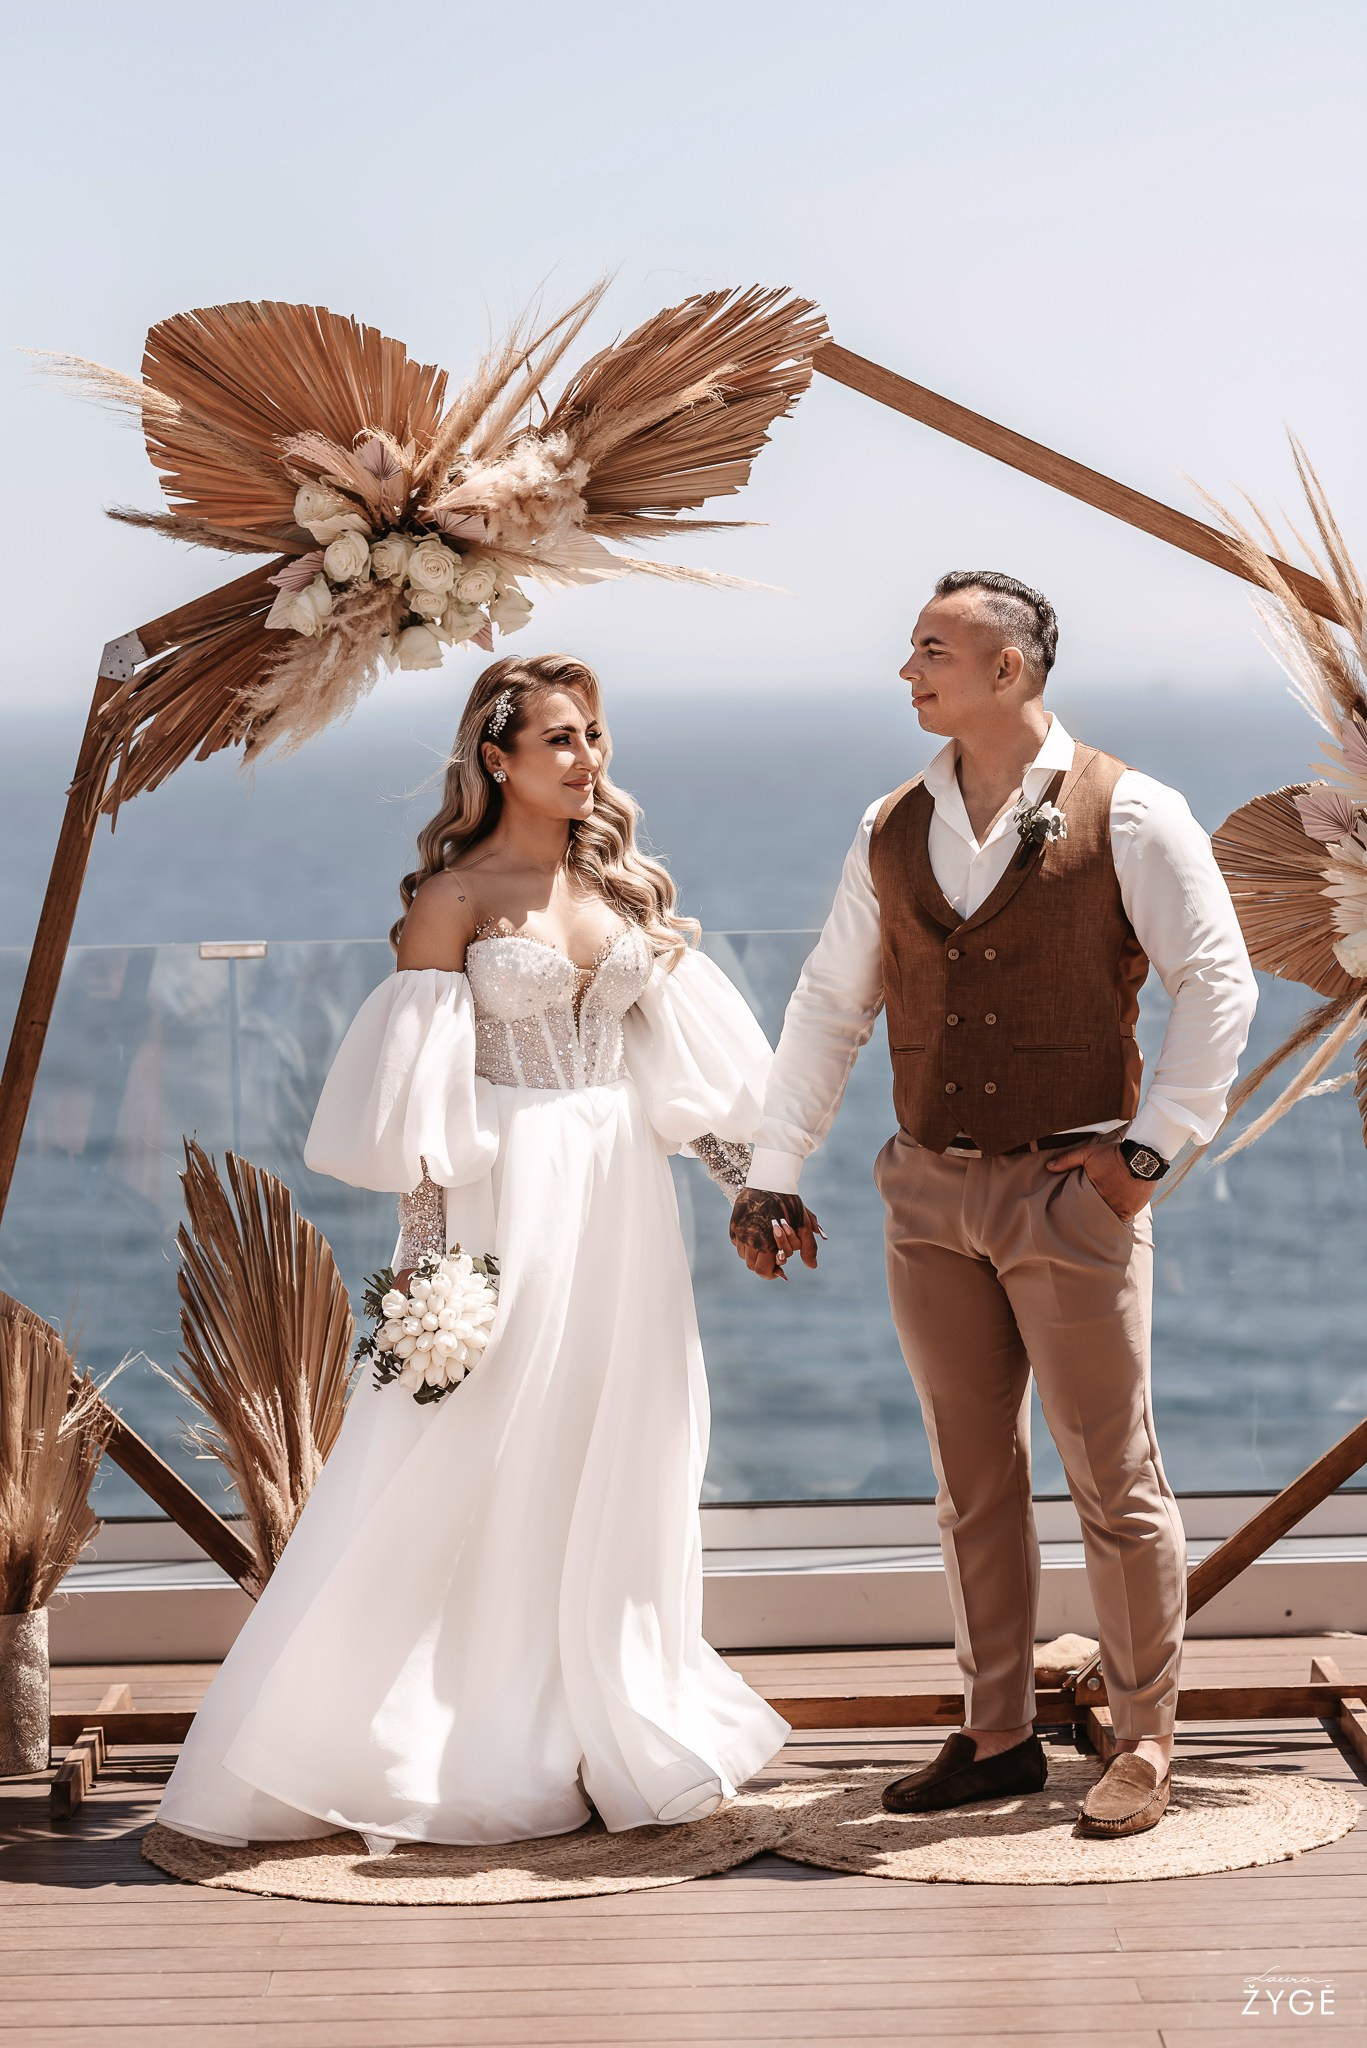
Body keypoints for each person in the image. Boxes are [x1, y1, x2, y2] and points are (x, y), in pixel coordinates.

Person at [159, 652, 788, 1851]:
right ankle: (436, 1724)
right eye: (559, 737)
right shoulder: (451, 899)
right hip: (512, 1193)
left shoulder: (626, 889)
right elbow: (423, 1109)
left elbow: (678, 1081)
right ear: (494, 757)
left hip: (620, 1199)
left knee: (623, 1439)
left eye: (593, 732)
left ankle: (608, 1708)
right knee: (477, 1440)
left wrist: (745, 1192)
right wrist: (428, 1268)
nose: (587, 756)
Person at [730, 571, 1258, 1839]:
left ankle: (1140, 1736)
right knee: (970, 1478)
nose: (905, 670)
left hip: (1069, 1185)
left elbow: (1216, 979)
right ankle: (995, 1731)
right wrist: (774, 1165)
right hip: (926, 1189)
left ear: (1008, 670)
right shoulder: (889, 822)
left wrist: (1146, 1155)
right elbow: (826, 1002)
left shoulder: (1129, 809)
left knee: (1110, 1475)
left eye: (931, 650)